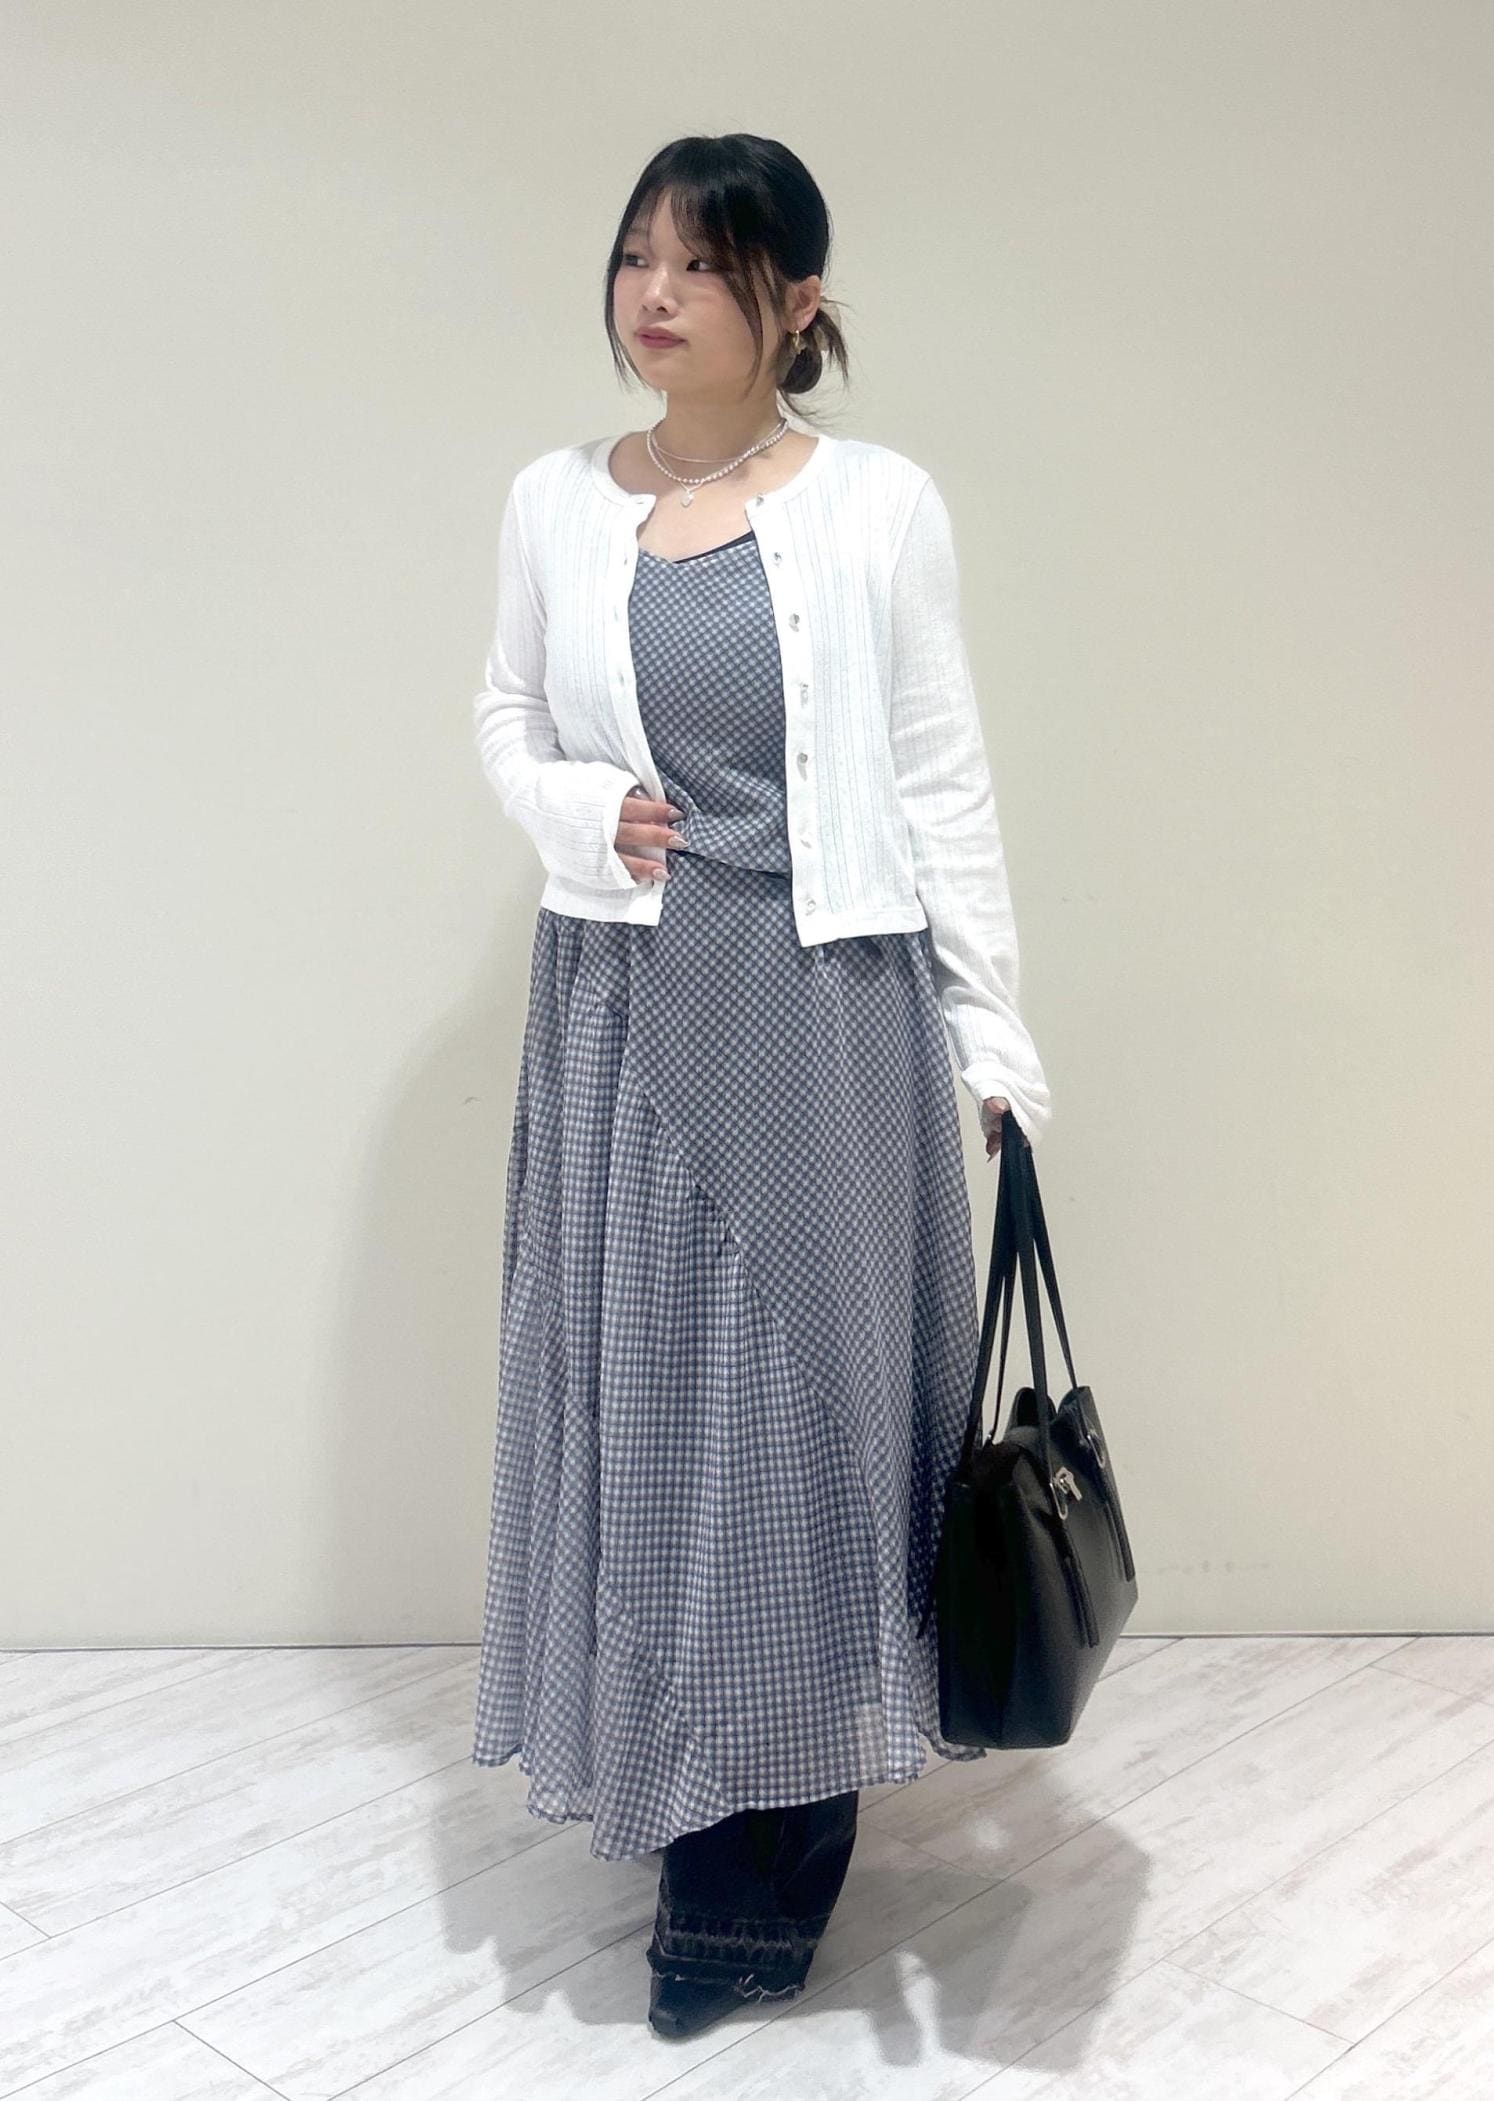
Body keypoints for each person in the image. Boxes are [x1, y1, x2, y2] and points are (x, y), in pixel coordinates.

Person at [468, 132, 1052, 2040]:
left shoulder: (878, 506)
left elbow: (941, 775)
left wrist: (994, 1039)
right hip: (622, 1007)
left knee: (799, 1437)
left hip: (826, 1012)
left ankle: (761, 1858)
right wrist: (577, 809)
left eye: (705, 265)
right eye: (637, 254)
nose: (656, 295)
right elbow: (505, 711)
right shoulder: (557, 499)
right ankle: (677, 1784)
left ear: (796, 304)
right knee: (649, 1416)